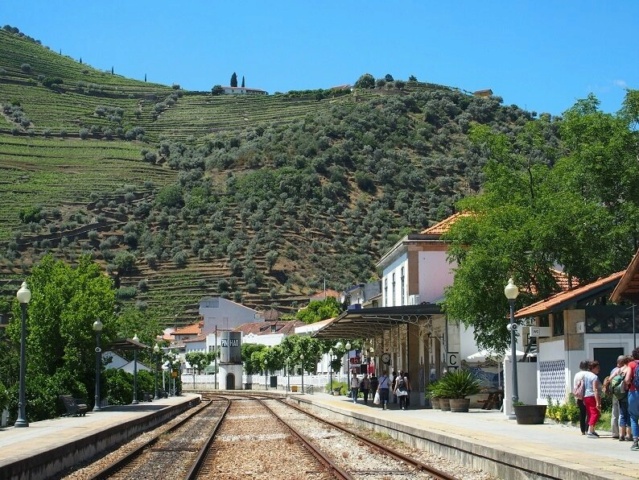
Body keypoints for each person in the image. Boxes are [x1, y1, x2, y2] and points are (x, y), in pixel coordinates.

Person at [625, 347, 639, 450]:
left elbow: (627, 379)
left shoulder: (632, 364)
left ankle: (635, 442)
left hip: (634, 393)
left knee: (634, 417)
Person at [583, 360, 602, 438]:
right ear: (593, 368)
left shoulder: (586, 375)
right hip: (592, 396)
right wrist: (598, 402)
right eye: (597, 368)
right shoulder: (594, 377)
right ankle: (590, 431)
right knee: (595, 413)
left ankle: (592, 430)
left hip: (586, 396)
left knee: (590, 413)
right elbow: (595, 389)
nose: (599, 369)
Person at [573, 360, 589, 435]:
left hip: (580, 396)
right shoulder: (589, 374)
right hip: (588, 396)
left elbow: (575, 387)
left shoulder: (577, 375)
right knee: (589, 413)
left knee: (582, 413)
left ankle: (582, 430)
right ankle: (587, 428)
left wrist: (576, 398)